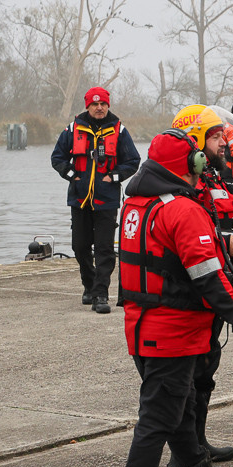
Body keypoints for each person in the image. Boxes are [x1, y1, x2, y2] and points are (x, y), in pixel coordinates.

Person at [118, 128, 233, 467]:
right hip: (173, 331)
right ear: (187, 165)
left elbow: (170, 252)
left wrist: (221, 242)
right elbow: (208, 277)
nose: (202, 167)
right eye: (198, 161)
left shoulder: (135, 203)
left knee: (179, 411)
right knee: (158, 417)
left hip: (144, 326)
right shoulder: (182, 209)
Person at [162, 104, 233, 467]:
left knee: (207, 370)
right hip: (192, 295)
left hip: (218, 282)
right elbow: (188, 241)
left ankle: (197, 443)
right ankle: (183, 457)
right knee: (189, 375)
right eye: (215, 137)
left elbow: (217, 226)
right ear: (195, 142)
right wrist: (222, 246)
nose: (223, 142)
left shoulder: (214, 177)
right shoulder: (182, 186)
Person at [51, 86, 140, 314]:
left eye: (103, 104)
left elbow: (133, 161)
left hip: (107, 200)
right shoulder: (72, 129)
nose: (99, 108)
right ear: (87, 106)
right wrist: (72, 175)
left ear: (108, 105)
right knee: (79, 247)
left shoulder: (119, 131)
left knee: (104, 250)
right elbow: (57, 157)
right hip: (79, 199)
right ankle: (89, 285)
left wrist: (115, 176)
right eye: (94, 104)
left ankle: (101, 295)